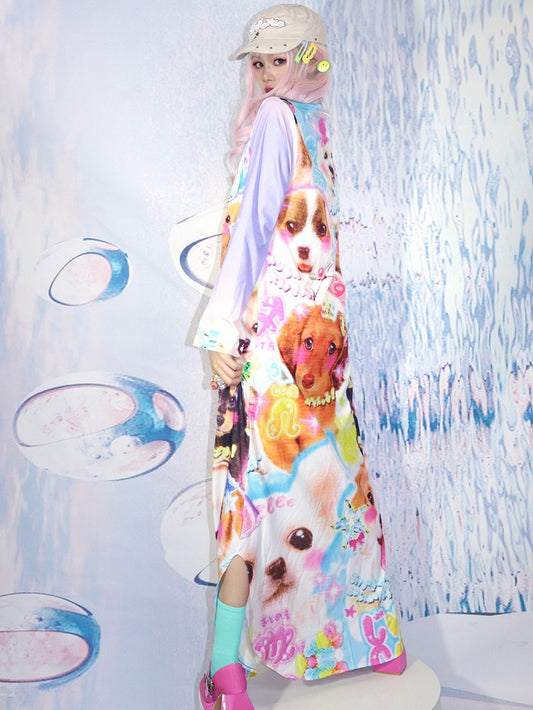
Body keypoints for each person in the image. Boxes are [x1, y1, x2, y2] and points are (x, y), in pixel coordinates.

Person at [194, 5, 406, 708]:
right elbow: (274, 233)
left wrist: (222, 329)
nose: (264, 73)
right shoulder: (304, 123)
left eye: (277, 59)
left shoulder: (286, 121)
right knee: (326, 491)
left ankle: (231, 669)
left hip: (285, 353)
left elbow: (259, 230)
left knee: (261, 500)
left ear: (310, 58)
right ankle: (371, 643)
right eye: (258, 62)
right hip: (307, 355)